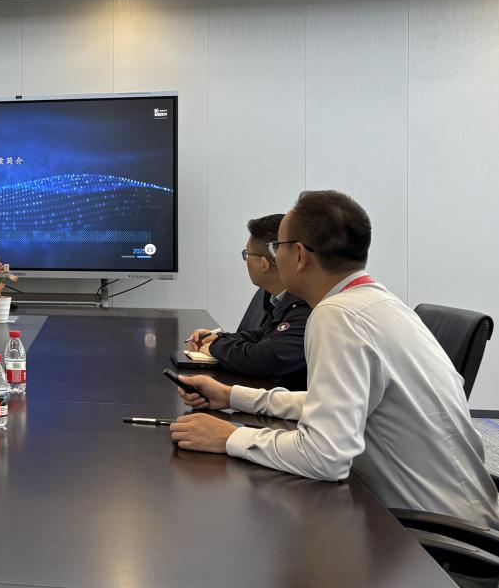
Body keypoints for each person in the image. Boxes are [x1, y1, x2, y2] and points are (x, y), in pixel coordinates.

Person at [171, 190, 499, 530]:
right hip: (463, 519)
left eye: (277, 247)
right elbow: (332, 403)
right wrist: (233, 396)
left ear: (299, 255)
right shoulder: (377, 303)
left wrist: (230, 437)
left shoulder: (337, 316)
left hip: (437, 541)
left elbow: (325, 457)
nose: (274, 256)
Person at [185, 213, 311, 388]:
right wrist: (219, 338)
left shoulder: (306, 304)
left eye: (247, 254)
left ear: (264, 264)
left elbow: (265, 359)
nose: (246, 260)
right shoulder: (279, 300)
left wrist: (215, 346)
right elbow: (262, 335)